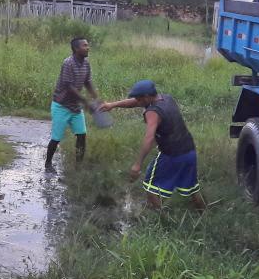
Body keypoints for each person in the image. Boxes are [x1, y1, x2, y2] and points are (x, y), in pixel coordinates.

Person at [99, 80, 205, 211]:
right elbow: (134, 102)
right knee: (192, 188)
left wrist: (137, 164)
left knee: (151, 187)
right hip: (189, 151)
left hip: (171, 154)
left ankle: (162, 221)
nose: (136, 101)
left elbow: (149, 138)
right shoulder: (167, 98)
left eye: (139, 98)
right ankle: (203, 213)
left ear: (147, 97)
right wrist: (112, 105)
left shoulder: (153, 112)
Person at [46, 37, 99, 172]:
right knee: (56, 138)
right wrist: (86, 102)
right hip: (61, 106)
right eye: (85, 45)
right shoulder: (68, 63)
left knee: (81, 135)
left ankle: (78, 167)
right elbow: (69, 88)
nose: (88, 47)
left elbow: (88, 82)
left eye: (88, 45)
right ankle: (48, 164)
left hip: (75, 106)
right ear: (76, 49)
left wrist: (96, 98)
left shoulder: (86, 63)